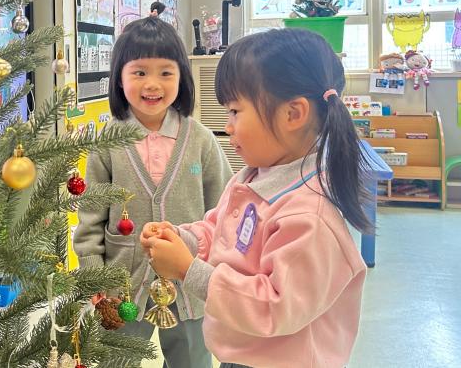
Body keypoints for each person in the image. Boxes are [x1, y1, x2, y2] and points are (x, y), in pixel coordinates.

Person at [140, 28, 372, 368]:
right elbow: (217, 230)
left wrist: (188, 270)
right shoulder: (251, 178)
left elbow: (273, 307)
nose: (228, 125)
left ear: (293, 114)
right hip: (241, 353)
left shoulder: (309, 215)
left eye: (235, 111)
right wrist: (181, 239)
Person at [74, 16, 233, 368]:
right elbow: (90, 219)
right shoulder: (107, 143)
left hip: (189, 279)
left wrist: (218, 272)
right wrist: (93, 275)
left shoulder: (200, 140)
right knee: (116, 360)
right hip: (122, 284)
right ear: (119, 78)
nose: (152, 84)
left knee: (192, 360)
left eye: (165, 72)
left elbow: (224, 210)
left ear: (182, 77)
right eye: (140, 72)